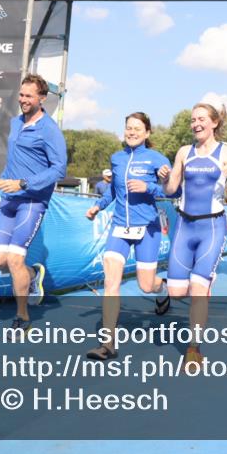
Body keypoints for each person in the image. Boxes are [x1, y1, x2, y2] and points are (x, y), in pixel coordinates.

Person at [158, 103, 227, 368]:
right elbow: (171, 190)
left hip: (212, 226)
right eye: (193, 120)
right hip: (184, 225)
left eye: (201, 119)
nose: (196, 124)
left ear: (214, 123)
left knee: (199, 288)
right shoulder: (184, 152)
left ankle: (194, 348)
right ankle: (177, 286)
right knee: (178, 292)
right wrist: (164, 178)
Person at [84, 112, 173, 360]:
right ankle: (108, 344)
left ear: (147, 133)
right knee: (111, 283)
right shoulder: (117, 158)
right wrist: (99, 206)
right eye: (128, 128)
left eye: (137, 128)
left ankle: (163, 290)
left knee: (146, 285)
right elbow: (113, 190)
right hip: (119, 227)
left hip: (147, 227)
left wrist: (150, 187)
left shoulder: (157, 159)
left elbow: (173, 191)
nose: (132, 132)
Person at [0, 74, 67, 332]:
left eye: (28, 96)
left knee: (14, 259)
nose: (23, 100)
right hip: (8, 198)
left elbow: (59, 169)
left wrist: (23, 184)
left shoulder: (49, 130)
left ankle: (22, 316)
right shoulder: (15, 122)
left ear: (41, 98)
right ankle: (32, 274)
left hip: (32, 200)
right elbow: (14, 162)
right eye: (21, 95)